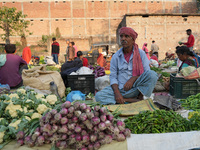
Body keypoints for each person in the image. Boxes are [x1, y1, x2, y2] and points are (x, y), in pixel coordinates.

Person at [95, 27, 158, 105]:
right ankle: (128, 100)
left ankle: (138, 97)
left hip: (136, 89)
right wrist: (117, 93)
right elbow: (113, 77)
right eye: (121, 36)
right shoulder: (116, 56)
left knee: (152, 75)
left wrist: (133, 78)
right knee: (98, 96)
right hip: (120, 90)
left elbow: (146, 73)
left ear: (133, 40)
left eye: (126, 36)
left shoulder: (141, 54)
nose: (123, 39)